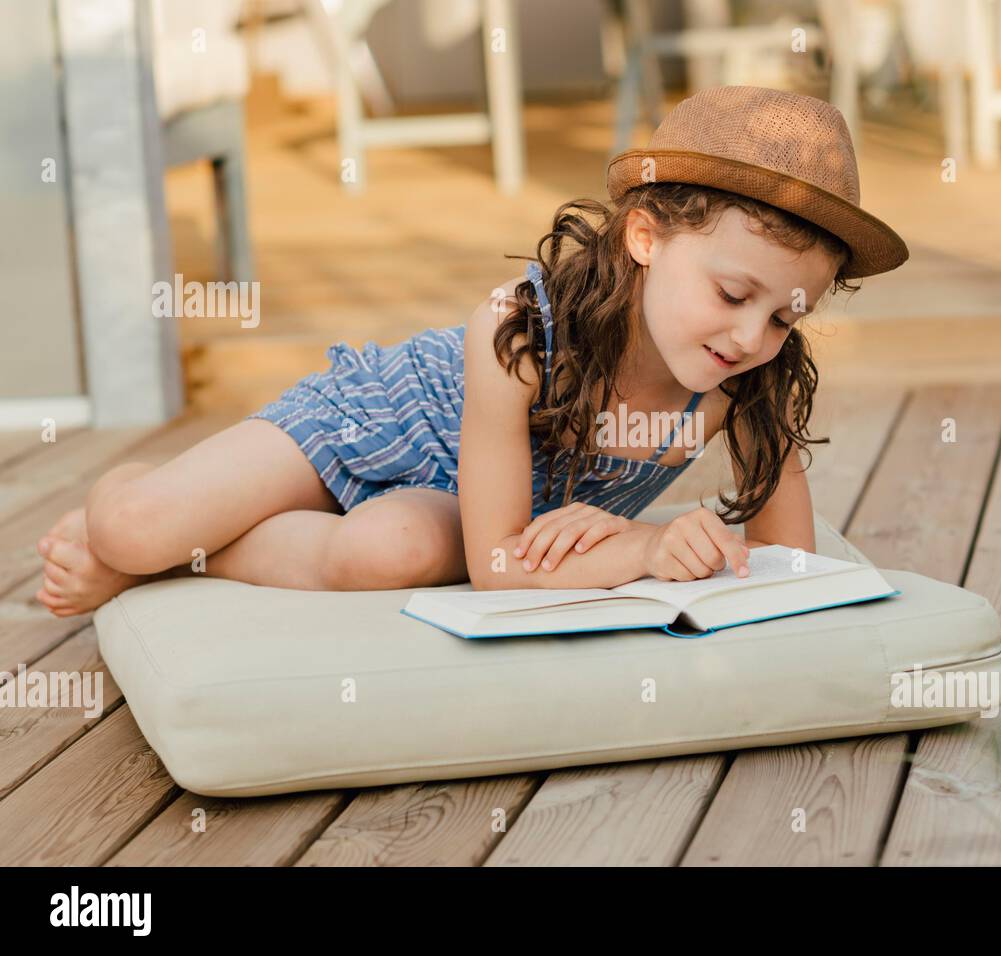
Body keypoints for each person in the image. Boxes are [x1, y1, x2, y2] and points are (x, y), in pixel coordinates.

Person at [35, 85, 907, 617]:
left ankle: (198, 557)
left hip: (475, 513)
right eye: (730, 295)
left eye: (786, 317)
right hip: (383, 422)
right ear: (645, 237)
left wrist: (680, 551)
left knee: (390, 552)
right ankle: (139, 523)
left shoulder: (752, 383)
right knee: (130, 529)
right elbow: (507, 572)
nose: (750, 339)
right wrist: (642, 550)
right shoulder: (519, 332)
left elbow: (796, 567)